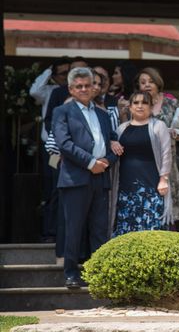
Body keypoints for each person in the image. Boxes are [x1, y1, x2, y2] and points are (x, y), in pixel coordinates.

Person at [52, 67, 118, 289]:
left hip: (101, 176)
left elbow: (113, 142)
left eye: (87, 85)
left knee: (99, 229)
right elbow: (64, 144)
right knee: (74, 228)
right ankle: (71, 274)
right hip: (75, 178)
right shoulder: (62, 112)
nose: (83, 89)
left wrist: (107, 161)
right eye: (78, 86)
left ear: (93, 88)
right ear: (70, 88)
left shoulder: (103, 114)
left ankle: (98, 274)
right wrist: (91, 163)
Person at [110, 91, 172, 236]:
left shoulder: (158, 126)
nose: (140, 106)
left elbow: (166, 154)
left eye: (144, 103)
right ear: (130, 107)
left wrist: (164, 179)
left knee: (152, 230)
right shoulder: (121, 129)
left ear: (151, 107)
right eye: (136, 103)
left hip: (151, 188)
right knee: (126, 229)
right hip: (126, 189)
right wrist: (112, 143)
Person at [135, 67, 179, 222]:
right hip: (144, 163)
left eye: (151, 81)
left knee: (168, 209)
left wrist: (177, 134)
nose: (147, 85)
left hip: (167, 162)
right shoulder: (137, 103)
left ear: (158, 83)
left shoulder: (171, 102)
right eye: (143, 82)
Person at [30, 57, 71, 242]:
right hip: (52, 150)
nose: (67, 77)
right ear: (54, 75)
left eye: (69, 72)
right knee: (52, 188)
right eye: (63, 73)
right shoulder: (50, 91)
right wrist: (48, 71)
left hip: (71, 150)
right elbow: (34, 91)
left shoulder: (75, 92)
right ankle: (49, 232)